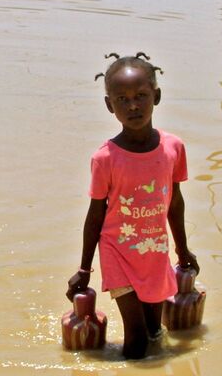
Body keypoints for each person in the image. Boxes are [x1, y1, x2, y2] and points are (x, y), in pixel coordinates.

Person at [66, 52, 199, 360]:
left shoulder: (173, 148)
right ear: (109, 105)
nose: (133, 106)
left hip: (154, 250)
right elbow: (95, 215)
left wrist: (183, 249)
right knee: (137, 338)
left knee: (155, 331)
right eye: (122, 99)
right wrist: (85, 268)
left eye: (141, 96)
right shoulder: (105, 159)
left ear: (157, 96)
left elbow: (174, 203)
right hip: (118, 252)